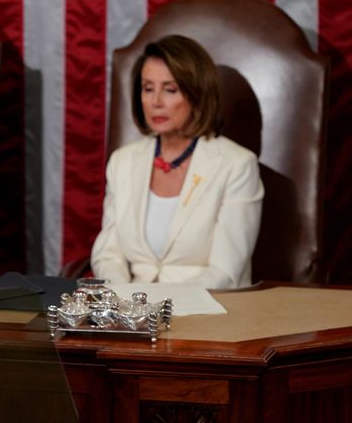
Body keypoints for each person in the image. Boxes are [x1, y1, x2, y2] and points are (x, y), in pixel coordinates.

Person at [91, 35, 264, 289]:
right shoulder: (123, 162)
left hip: (209, 313)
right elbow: (108, 254)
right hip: (133, 316)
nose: (156, 102)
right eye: (148, 88)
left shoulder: (236, 165)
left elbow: (226, 272)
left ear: (197, 94)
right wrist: (122, 297)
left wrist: (161, 306)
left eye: (170, 90)